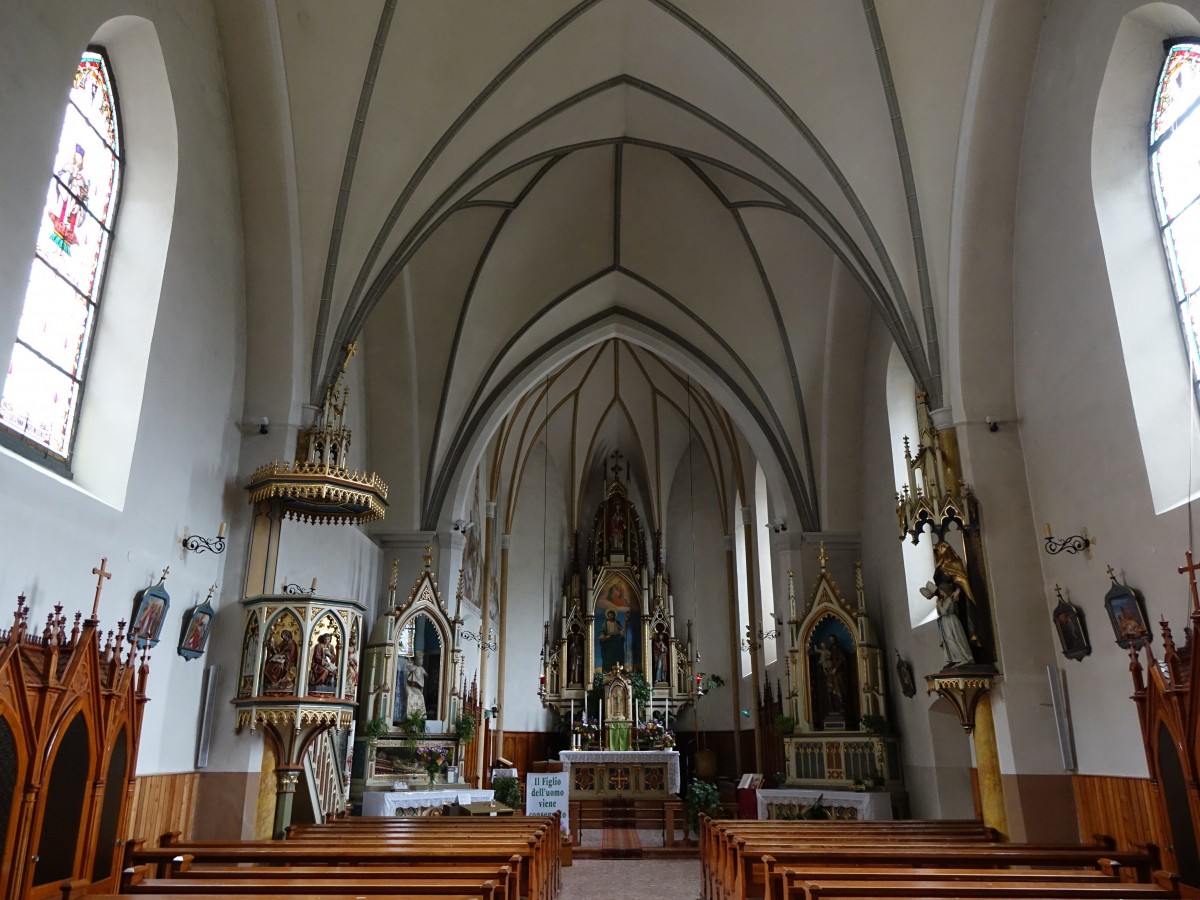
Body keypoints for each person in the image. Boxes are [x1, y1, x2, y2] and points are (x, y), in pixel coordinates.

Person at [922, 578, 974, 667]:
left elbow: (944, 612)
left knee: (953, 639)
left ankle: (964, 658)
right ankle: (955, 659)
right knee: (947, 640)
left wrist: (939, 606)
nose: (940, 592)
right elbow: (939, 613)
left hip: (950, 620)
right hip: (945, 622)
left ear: (944, 590)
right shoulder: (943, 600)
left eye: (941, 590)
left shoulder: (949, 599)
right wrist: (938, 606)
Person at [406, 652, 427, 717]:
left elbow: (426, 674)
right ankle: (410, 715)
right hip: (412, 686)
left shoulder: (421, 668)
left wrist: (426, 674)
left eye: (421, 660)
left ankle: (420, 715)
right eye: (420, 660)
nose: (421, 662)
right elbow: (409, 669)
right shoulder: (414, 667)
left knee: (421, 697)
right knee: (410, 697)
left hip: (418, 686)